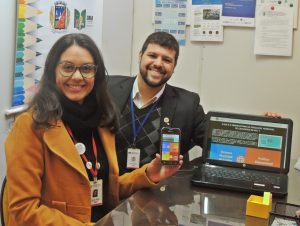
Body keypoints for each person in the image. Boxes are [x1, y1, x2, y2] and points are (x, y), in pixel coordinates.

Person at [4, 33, 182, 226]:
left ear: (96, 74)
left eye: (86, 69)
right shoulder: (30, 126)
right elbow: (22, 212)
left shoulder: (101, 122)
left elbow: (106, 187)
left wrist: (148, 174)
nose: (77, 76)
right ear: (52, 71)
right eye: (68, 67)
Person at [107, 31, 206, 175]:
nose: (158, 63)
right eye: (152, 56)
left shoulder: (188, 105)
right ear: (140, 56)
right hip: (109, 188)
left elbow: (213, 146)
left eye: (166, 60)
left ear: (174, 66)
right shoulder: (108, 88)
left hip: (157, 192)